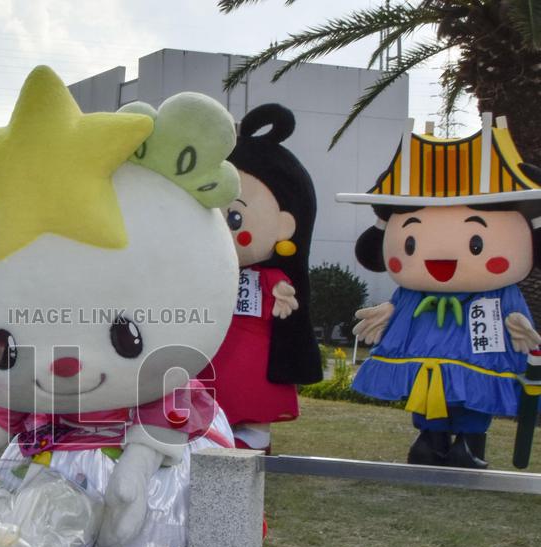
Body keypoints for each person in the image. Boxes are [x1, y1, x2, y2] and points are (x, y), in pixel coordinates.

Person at [343, 114, 541, 468]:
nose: (442, 259)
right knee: (438, 390)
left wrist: (520, 326)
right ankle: (435, 441)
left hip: (459, 349)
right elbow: (400, 303)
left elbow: (514, 314)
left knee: (468, 391)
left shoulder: (496, 293)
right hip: (462, 354)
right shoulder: (415, 293)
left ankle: (455, 443)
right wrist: (388, 311)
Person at [200, 103, 323, 452]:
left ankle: (253, 443)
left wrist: (284, 294)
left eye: (234, 219)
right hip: (212, 348)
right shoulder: (206, 270)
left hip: (257, 350)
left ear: (286, 226)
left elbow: (283, 290)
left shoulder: (269, 275)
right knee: (211, 396)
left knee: (251, 400)